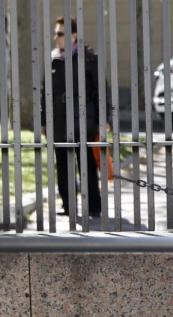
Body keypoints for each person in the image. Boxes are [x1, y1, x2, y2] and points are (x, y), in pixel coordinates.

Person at [44, 16, 102, 219]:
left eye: (60, 33)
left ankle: (94, 206)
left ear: (73, 35)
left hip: (83, 119)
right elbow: (45, 93)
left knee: (86, 163)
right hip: (59, 120)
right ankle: (69, 206)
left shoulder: (88, 57)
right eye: (55, 33)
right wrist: (44, 121)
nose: (56, 37)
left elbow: (100, 90)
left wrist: (105, 119)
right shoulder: (52, 59)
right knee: (62, 164)